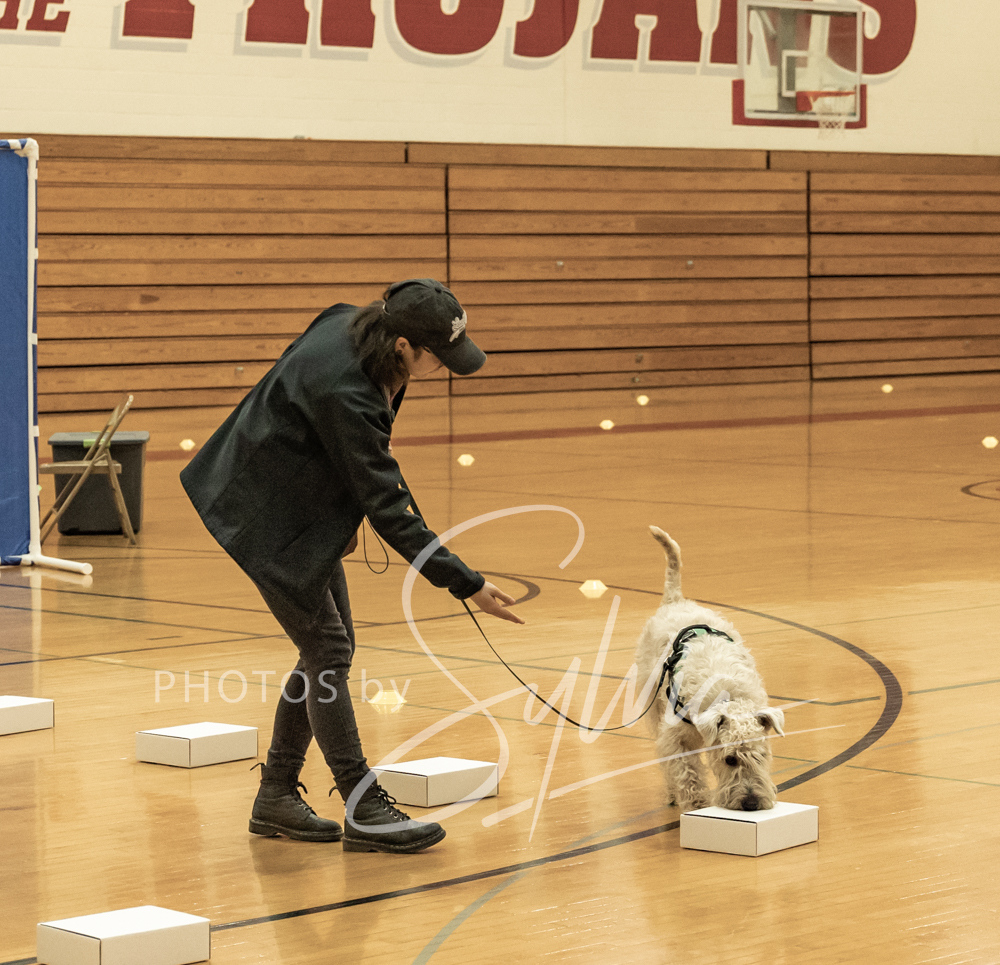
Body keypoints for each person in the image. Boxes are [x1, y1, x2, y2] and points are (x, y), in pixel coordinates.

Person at [180, 279, 523, 855]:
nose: (441, 367)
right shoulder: (348, 391)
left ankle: (276, 795)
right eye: (436, 356)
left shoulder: (352, 322)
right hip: (264, 514)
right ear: (403, 345)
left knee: (327, 650)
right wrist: (466, 583)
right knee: (329, 651)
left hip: (294, 502)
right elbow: (388, 505)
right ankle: (363, 807)